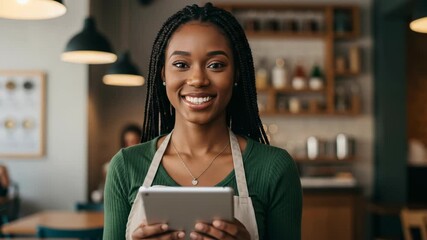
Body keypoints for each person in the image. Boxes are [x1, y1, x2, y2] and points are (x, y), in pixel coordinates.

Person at [104, 3, 302, 240]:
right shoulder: (126, 167)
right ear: (163, 74)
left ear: (236, 74)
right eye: (181, 65)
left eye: (215, 65)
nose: (197, 79)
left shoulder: (274, 169)